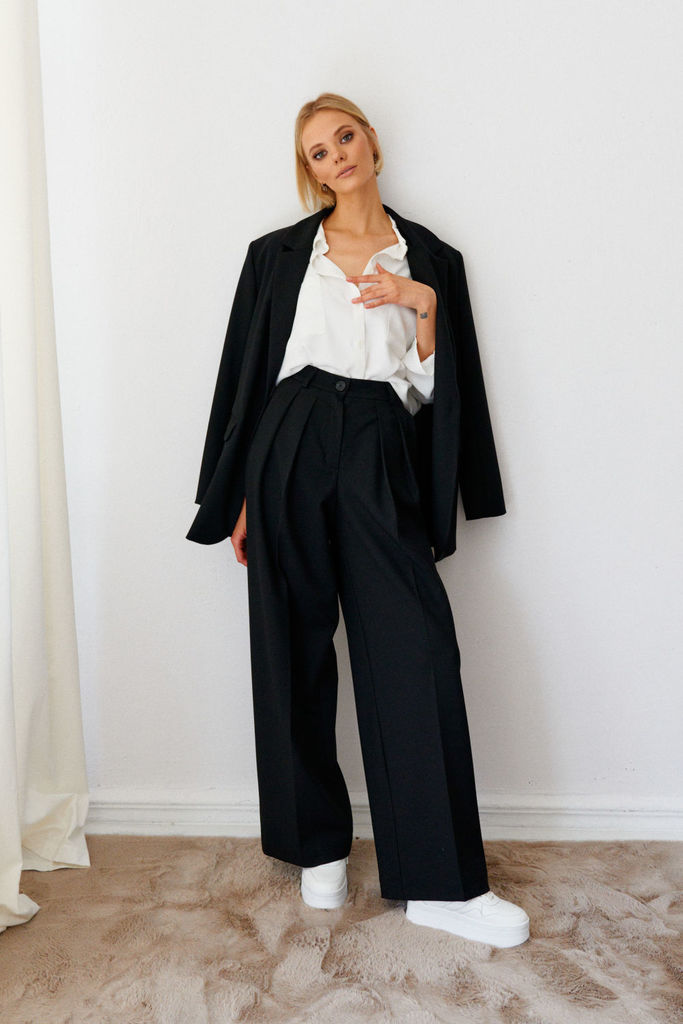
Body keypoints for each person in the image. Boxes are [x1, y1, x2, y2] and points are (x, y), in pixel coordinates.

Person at [188, 93, 529, 948]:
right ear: (309, 172)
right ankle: (318, 850)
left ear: (372, 141)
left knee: (415, 649)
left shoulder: (432, 259)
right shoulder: (276, 256)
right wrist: (236, 494)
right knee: (291, 647)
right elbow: (243, 376)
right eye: (317, 151)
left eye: (344, 136)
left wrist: (422, 304)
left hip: (380, 440)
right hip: (289, 438)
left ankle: (441, 885)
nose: (336, 155)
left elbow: (435, 392)